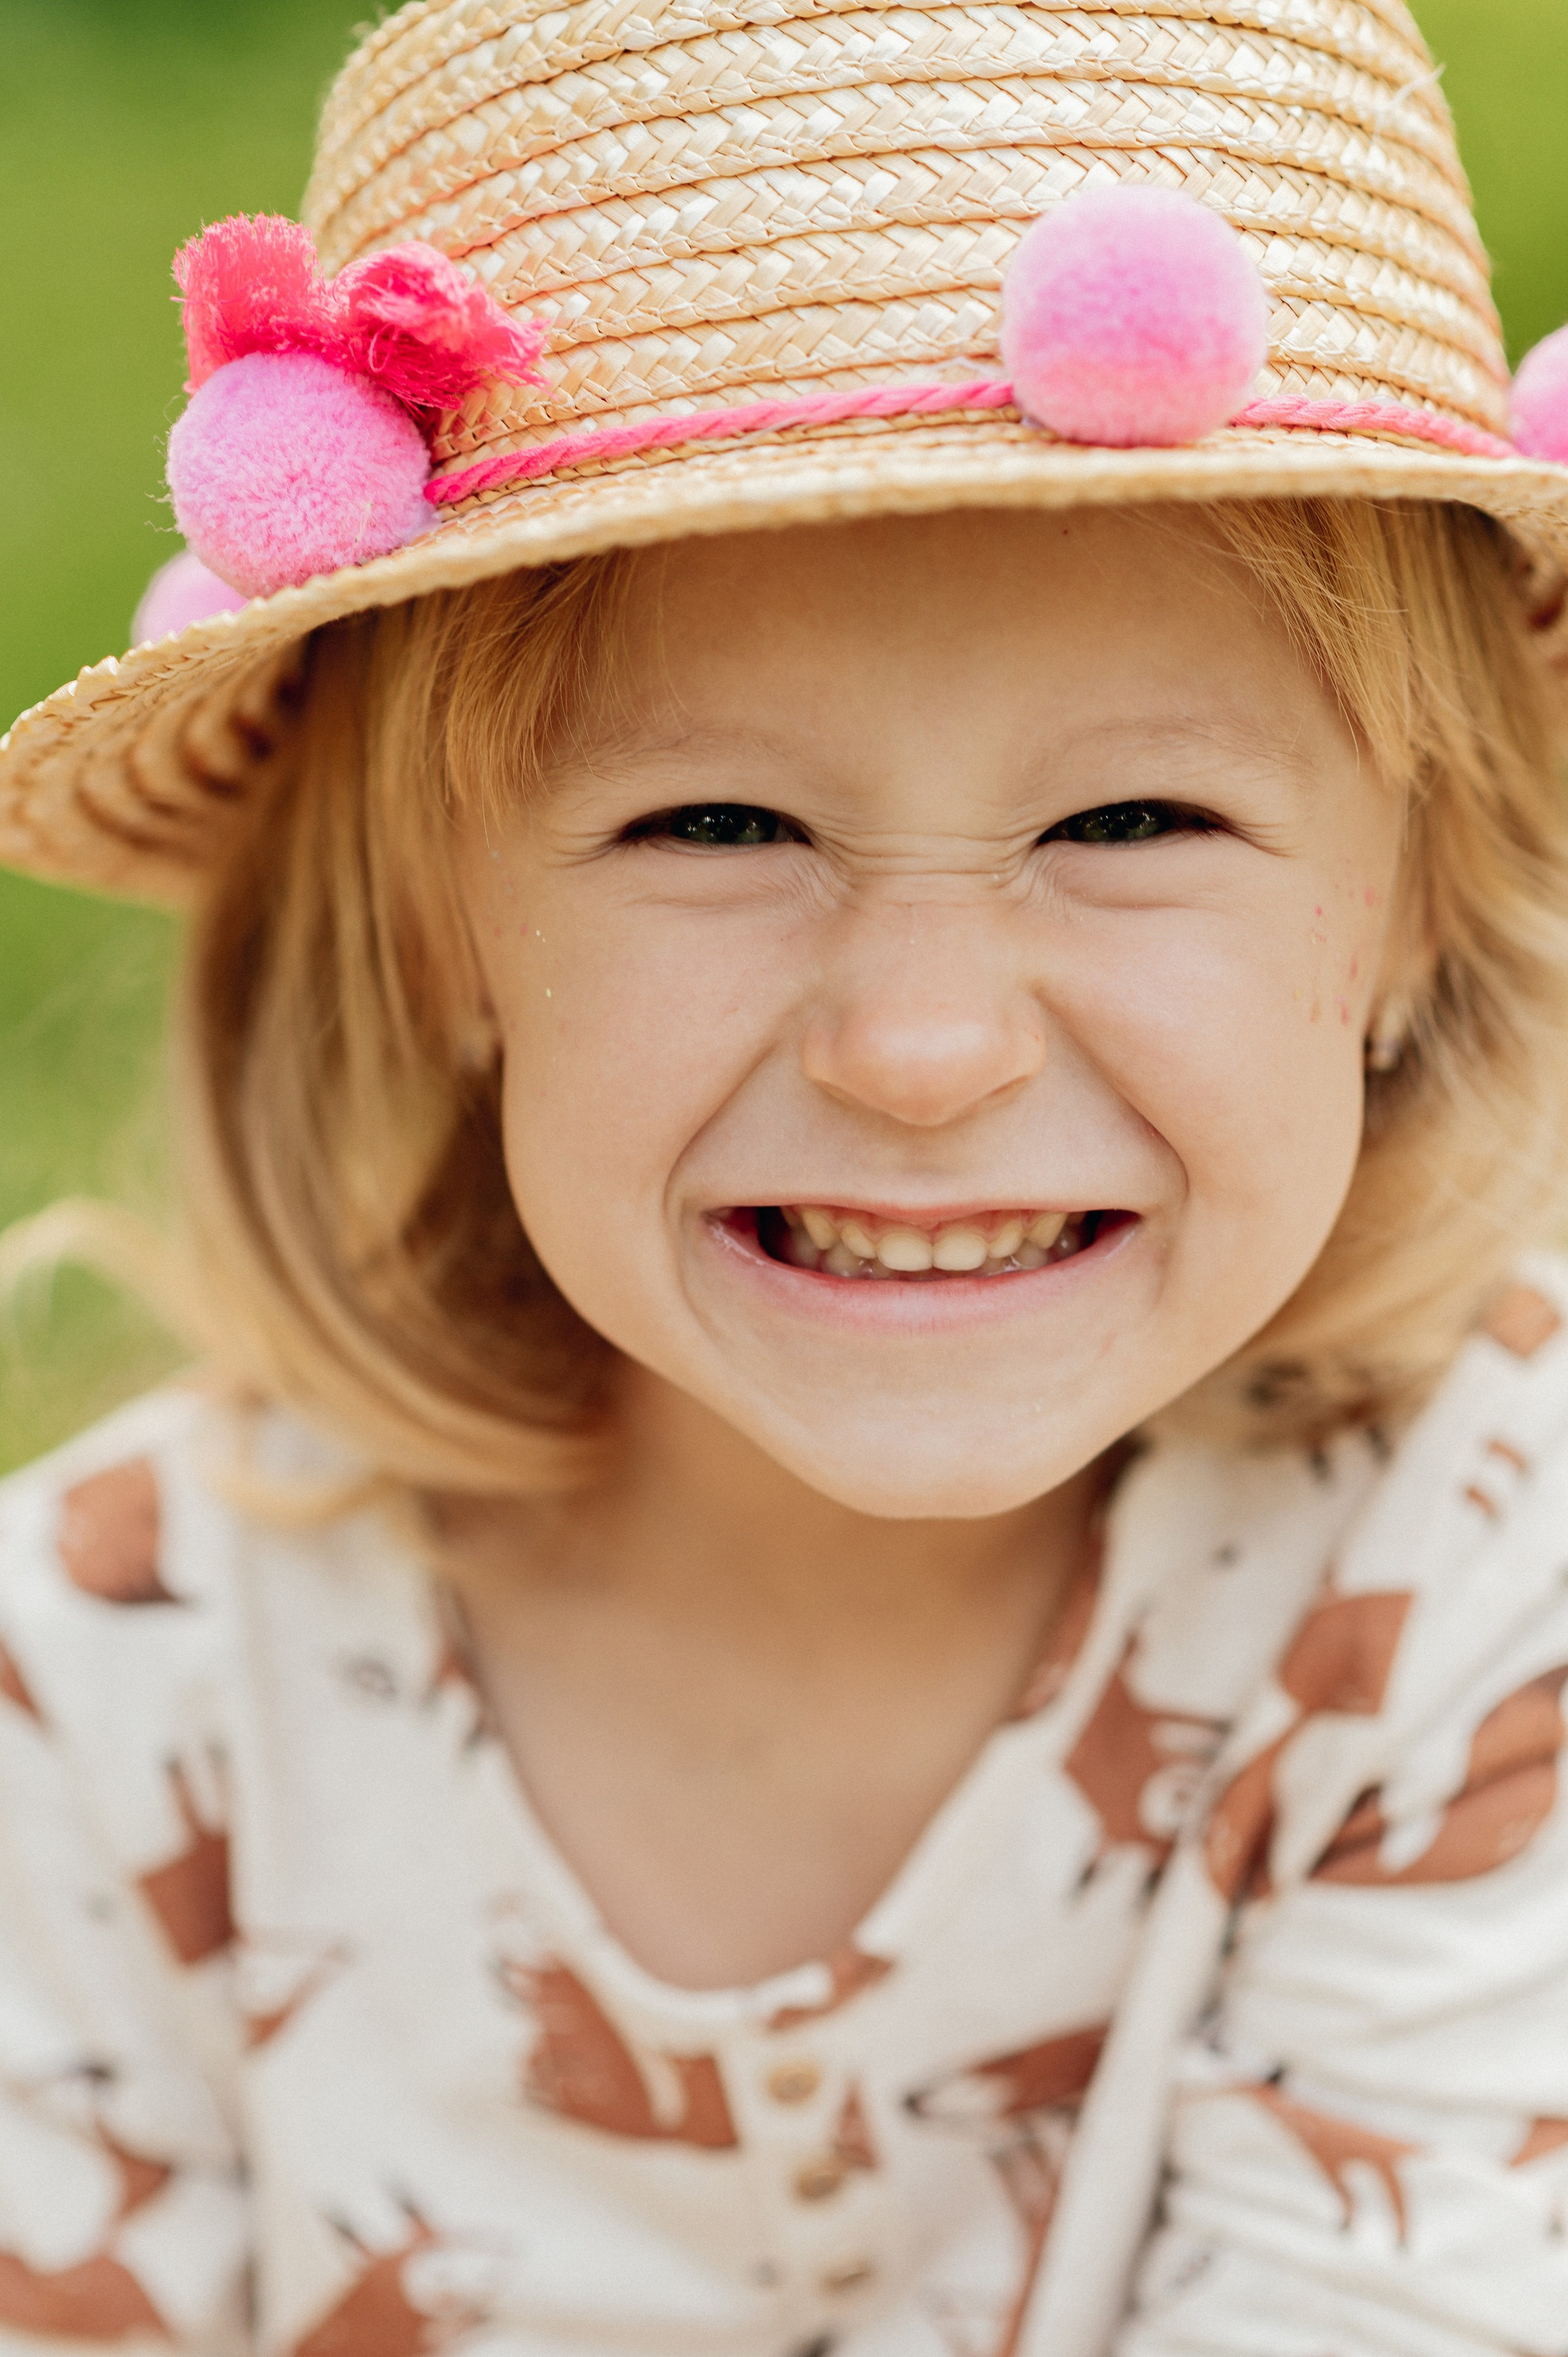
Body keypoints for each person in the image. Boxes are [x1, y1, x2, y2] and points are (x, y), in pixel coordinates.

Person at [2, 2, 1568, 2351]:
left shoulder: (1474, 1574)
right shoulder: (107, 1694)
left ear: (1417, 909)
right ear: (439, 932)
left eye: (1132, 823)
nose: (921, 1050)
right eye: (712, 825)